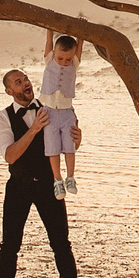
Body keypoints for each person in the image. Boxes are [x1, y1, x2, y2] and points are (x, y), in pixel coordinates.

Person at [0, 58, 83, 278]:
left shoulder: (52, 107)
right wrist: (33, 130)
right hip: (18, 186)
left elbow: (70, 138)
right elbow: (9, 156)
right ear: (9, 91)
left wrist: (78, 137)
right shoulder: (3, 118)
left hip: (49, 185)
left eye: (26, 79)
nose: (26, 84)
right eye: (18, 82)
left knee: (61, 245)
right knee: (9, 245)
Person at [40, 33, 83, 193]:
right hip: (49, 111)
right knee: (52, 147)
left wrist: (81, 36)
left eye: (67, 60)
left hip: (66, 112)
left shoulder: (74, 64)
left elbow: (79, 49)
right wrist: (50, 30)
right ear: (54, 54)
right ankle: (57, 180)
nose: (64, 62)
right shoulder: (49, 60)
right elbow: (48, 42)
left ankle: (70, 177)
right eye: (60, 59)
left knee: (69, 145)